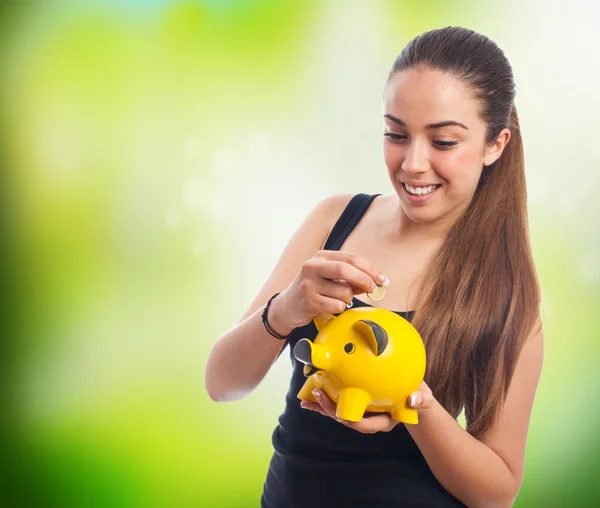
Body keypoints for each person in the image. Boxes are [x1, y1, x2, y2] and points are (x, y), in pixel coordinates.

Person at [204, 26, 544, 508]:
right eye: (396, 134)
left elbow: (496, 493)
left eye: (444, 141)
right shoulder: (334, 220)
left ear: (495, 144)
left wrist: (412, 401)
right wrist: (286, 310)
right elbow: (221, 384)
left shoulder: (508, 298)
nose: (413, 164)